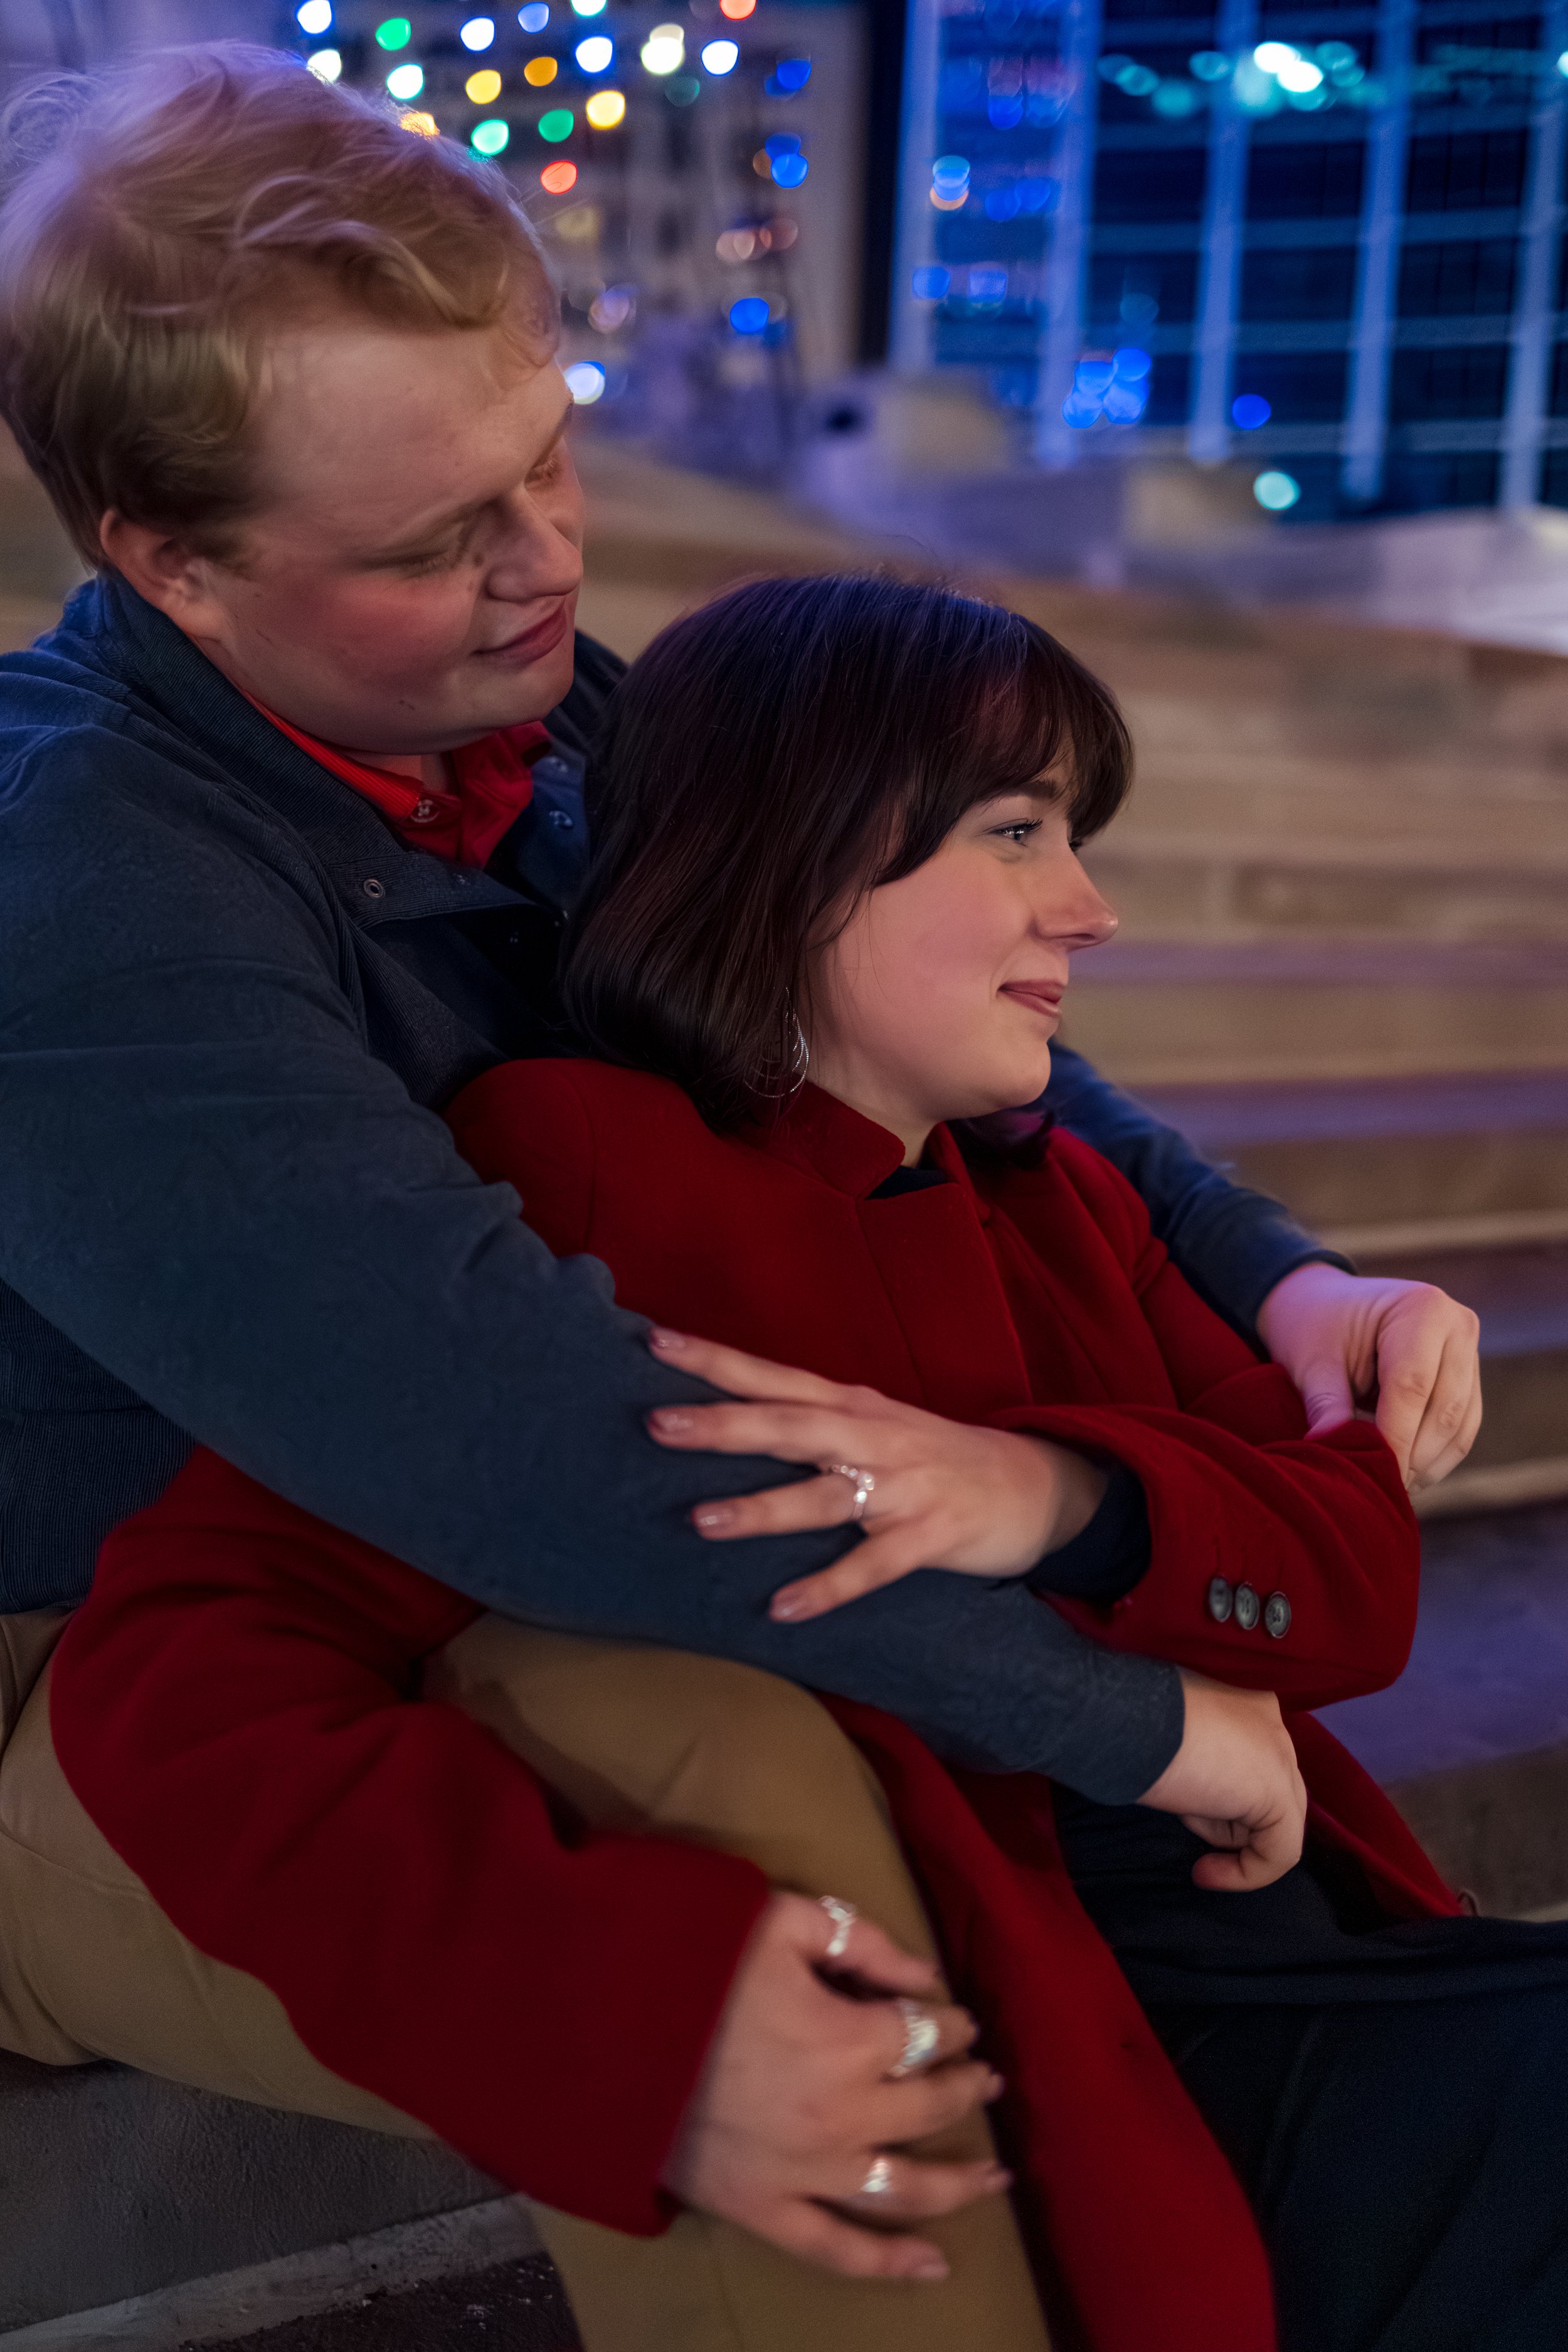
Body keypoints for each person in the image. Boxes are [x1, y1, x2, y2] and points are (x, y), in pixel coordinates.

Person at [0, 46, 1482, 2352]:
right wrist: (1134, 1716)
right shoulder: (78, 879)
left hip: (477, 1571)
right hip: (110, 1681)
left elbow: (941, 1051)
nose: (549, 563)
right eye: (427, 542)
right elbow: (521, 1446)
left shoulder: (555, 715)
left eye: (552, 458)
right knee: (742, 1837)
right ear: (168, 561)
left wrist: (1273, 1275)